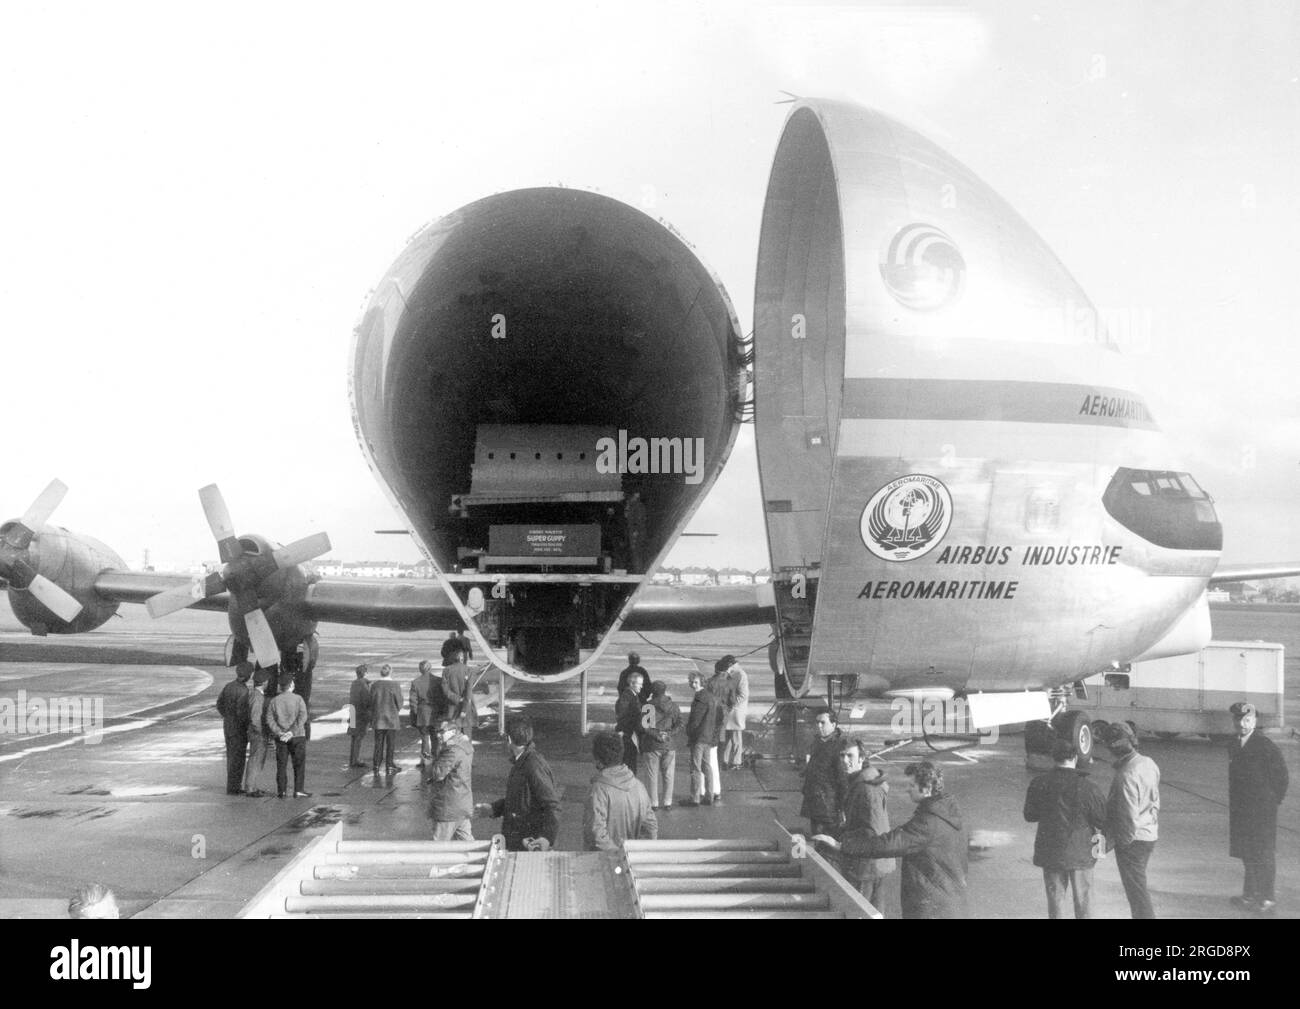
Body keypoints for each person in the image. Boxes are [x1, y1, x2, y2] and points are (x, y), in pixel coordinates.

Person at [814, 761, 968, 919]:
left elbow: (889, 843)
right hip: (950, 901)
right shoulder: (947, 814)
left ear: (927, 788)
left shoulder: (927, 823)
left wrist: (842, 846)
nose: (908, 789)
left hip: (932, 909)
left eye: (912, 785)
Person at [1023, 738, 1107, 919]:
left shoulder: (1039, 783)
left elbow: (1030, 816)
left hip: (1050, 851)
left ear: (1053, 757)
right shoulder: (1088, 787)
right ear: (1075, 757)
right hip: (1081, 853)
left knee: (1055, 901)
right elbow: (1101, 820)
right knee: (1084, 901)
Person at [1227, 701, 1289, 915]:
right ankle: (1250, 895)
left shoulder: (1265, 745)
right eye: (1239, 719)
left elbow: (1282, 778)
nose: (1242, 724)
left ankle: (1267, 897)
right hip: (1242, 811)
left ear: (1255, 721)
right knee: (1247, 853)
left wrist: (1270, 803)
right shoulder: (1234, 743)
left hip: (1262, 812)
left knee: (1263, 854)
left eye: (1247, 720)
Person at [475, 716, 561, 851]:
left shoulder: (532, 765)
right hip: (522, 841)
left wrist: (547, 838)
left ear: (509, 739)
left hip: (530, 843)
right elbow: (519, 800)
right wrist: (493, 808)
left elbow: (552, 805)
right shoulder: (524, 761)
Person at [1103, 720, 1160, 919]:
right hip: (1149, 833)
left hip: (1133, 841)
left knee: (1136, 892)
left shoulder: (1125, 776)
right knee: (1138, 886)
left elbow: (1127, 819)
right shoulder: (1148, 763)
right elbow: (1154, 799)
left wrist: (1122, 844)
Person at [834, 736, 896, 913]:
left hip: (866, 865)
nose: (845, 761)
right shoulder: (864, 781)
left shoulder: (865, 789)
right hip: (877, 863)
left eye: (850, 756)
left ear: (862, 758)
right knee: (875, 911)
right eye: (842, 756)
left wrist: (843, 842)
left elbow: (871, 831)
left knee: (860, 912)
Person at [584, 731, 658, 851]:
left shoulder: (598, 790)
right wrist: (634, 853)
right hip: (632, 859)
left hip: (605, 862)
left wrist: (618, 855)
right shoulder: (639, 786)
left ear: (597, 759)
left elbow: (595, 835)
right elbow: (651, 827)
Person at [426, 717, 474, 841]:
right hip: (462, 804)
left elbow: (438, 773)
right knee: (467, 845)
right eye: (437, 731)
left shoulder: (451, 750)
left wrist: (430, 762)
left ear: (452, 732)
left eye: (442, 731)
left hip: (448, 806)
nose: (438, 735)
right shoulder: (464, 745)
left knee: (438, 848)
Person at [801, 707, 846, 837]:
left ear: (833, 724)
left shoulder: (840, 746)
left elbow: (842, 780)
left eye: (823, 722)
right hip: (814, 800)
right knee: (816, 837)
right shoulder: (817, 741)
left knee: (828, 841)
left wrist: (843, 808)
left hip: (829, 806)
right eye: (817, 722)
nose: (819, 726)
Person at [640, 680, 683, 810]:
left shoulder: (648, 706)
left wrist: (656, 735)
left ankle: (653, 803)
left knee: (652, 775)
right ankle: (667, 802)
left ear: (653, 692)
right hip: (669, 744)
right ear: (665, 690)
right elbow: (680, 724)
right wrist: (668, 734)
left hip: (652, 744)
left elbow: (644, 726)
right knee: (668, 774)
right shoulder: (673, 706)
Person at [266, 676, 310, 799]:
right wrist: (292, 731)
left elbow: (269, 719)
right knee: (299, 764)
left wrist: (279, 732)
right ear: (291, 685)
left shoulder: (274, 701)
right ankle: (298, 790)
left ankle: (282, 791)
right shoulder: (298, 699)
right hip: (297, 736)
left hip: (280, 738)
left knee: (281, 765)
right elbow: (303, 717)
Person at [682, 670, 721, 807]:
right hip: (708, 737)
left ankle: (695, 797)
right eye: (692, 682)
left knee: (695, 768)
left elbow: (695, 721)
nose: (693, 685)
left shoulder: (699, 698)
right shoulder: (711, 697)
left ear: (701, 682)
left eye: (696, 682)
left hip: (698, 737)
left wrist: (689, 732)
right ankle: (709, 795)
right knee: (707, 767)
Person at [216, 663, 252, 795]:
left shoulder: (228, 686)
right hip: (238, 729)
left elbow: (219, 704)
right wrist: (247, 725)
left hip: (228, 725)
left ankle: (232, 785)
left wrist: (227, 716)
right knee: (238, 758)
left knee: (231, 756)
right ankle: (234, 786)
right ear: (248, 675)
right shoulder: (244, 691)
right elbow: (242, 713)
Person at [369, 663, 404, 774]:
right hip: (391, 718)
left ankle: (376, 764)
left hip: (378, 718)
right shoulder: (395, 685)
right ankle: (389, 765)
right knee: (390, 743)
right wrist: (395, 710)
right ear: (390, 672)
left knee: (378, 743)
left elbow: (371, 701)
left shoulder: (375, 685)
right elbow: (399, 702)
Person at [242, 668, 272, 796]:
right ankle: (250, 788)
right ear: (264, 682)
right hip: (257, 732)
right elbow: (255, 718)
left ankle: (252, 786)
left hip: (254, 731)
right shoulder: (257, 697)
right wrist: (261, 732)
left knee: (256, 759)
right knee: (255, 760)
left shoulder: (254, 694)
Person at [442, 647, 478, 741]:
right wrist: (464, 707)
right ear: (462, 658)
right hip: (466, 708)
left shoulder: (446, 670)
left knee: (452, 739)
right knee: (467, 738)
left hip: (452, 708)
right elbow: (468, 690)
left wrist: (457, 698)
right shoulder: (469, 670)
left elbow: (445, 690)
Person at [719, 655, 749, 769]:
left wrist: (730, 703)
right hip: (731, 710)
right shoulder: (735, 673)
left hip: (736, 710)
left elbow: (743, 695)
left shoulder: (740, 674)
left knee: (735, 737)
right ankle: (725, 760)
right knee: (729, 737)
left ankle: (736, 761)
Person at [614, 668, 646, 773]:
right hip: (629, 735)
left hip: (628, 733)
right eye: (639, 684)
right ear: (632, 683)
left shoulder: (630, 695)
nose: (641, 686)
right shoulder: (628, 696)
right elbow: (622, 714)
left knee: (629, 762)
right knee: (629, 763)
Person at [409, 660, 439, 767]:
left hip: (422, 713)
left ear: (420, 670)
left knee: (424, 737)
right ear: (430, 668)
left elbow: (413, 701)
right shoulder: (437, 680)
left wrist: (416, 712)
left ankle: (425, 759)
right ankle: (436, 758)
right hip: (435, 712)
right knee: (435, 737)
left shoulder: (416, 682)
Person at [347, 664, 371, 768]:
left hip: (353, 712)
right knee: (359, 737)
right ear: (365, 673)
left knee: (354, 737)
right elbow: (366, 700)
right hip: (361, 713)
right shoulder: (364, 685)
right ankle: (355, 760)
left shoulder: (354, 683)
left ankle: (353, 758)